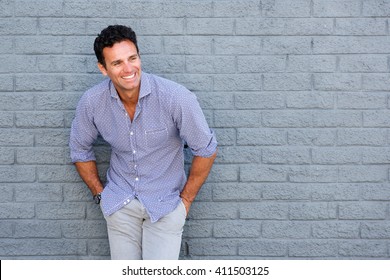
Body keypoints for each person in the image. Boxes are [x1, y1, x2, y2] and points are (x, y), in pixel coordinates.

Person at [69, 25, 217, 260]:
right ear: (103, 68)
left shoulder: (175, 97)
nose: (129, 69)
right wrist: (100, 194)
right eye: (117, 63)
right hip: (119, 205)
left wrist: (186, 201)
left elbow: (206, 149)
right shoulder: (92, 102)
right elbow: (79, 149)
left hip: (166, 205)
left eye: (132, 58)